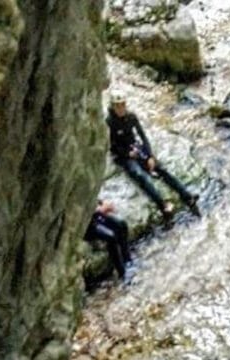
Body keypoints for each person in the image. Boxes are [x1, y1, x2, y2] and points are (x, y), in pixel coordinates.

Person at [106, 94, 201, 224]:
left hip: (135, 147)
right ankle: (163, 206)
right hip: (123, 155)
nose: (121, 108)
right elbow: (111, 146)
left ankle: (187, 196)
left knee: (160, 168)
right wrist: (127, 154)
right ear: (113, 107)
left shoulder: (131, 116)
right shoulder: (109, 122)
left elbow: (142, 136)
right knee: (140, 175)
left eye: (123, 105)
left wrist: (149, 155)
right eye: (118, 106)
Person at [84, 199, 132, 281]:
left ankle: (128, 261)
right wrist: (101, 209)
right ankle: (122, 273)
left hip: (94, 216)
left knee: (121, 224)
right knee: (111, 237)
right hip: (86, 225)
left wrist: (103, 203)